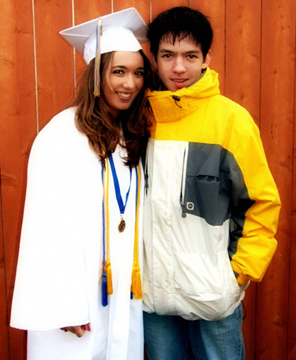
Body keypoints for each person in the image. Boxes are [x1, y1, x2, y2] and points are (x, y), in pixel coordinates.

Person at [10, 7, 152, 360]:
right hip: (76, 302)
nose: (129, 83)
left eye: (137, 73)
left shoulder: (128, 135)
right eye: (118, 71)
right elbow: (45, 225)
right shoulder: (62, 135)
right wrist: (61, 305)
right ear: (95, 76)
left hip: (121, 292)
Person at [142, 6, 281, 360]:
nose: (178, 68)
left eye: (190, 56)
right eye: (168, 55)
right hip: (154, 297)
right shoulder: (140, 120)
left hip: (213, 296)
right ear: (153, 59)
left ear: (207, 58)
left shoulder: (231, 120)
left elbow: (260, 202)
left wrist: (237, 275)